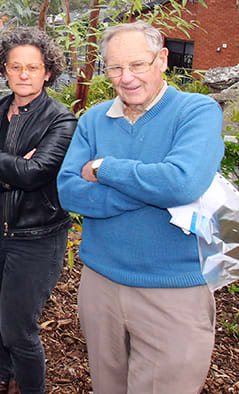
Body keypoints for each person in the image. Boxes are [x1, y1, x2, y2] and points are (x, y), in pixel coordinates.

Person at [57, 21, 224, 394]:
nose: (126, 77)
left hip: (173, 290)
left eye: (138, 64)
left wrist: (105, 168)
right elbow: (68, 192)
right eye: (115, 67)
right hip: (100, 284)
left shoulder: (196, 112)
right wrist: (153, 188)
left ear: (162, 59)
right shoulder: (95, 120)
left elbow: (183, 182)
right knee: (107, 386)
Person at [0, 27, 77, 394]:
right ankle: (2, 382)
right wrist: (4, 175)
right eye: (15, 66)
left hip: (34, 236)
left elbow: (35, 173)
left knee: (19, 329)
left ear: (48, 72)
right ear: (3, 69)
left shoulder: (60, 121)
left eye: (33, 68)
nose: (23, 75)